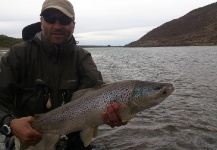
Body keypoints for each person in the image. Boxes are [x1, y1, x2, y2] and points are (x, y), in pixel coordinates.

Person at [0, 0, 127, 149]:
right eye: (50, 19)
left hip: (72, 140)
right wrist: (9, 124)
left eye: (65, 20)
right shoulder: (18, 55)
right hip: (30, 140)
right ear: (41, 22)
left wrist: (120, 114)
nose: (57, 26)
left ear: (73, 25)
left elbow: (97, 94)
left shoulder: (83, 58)